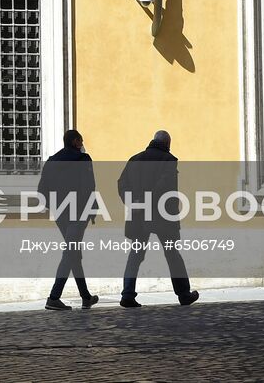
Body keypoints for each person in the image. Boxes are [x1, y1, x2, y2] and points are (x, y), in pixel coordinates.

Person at [116, 129, 200, 309]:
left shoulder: (134, 159)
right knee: (172, 255)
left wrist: (134, 203)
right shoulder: (168, 160)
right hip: (163, 216)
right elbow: (163, 186)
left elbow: (121, 184)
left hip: (139, 215)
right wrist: (147, 202)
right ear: (168, 144)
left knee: (135, 255)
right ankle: (184, 294)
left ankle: (127, 295)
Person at [35, 129, 100, 311]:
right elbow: (89, 186)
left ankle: (86, 297)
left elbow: (41, 190)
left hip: (61, 214)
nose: (82, 144)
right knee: (70, 253)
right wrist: (92, 210)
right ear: (75, 141)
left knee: (74, 254)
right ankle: (53, 297)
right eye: (81, 140)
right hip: (78, 214)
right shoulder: (83, 160)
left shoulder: (52, 161)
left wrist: (54, 206)